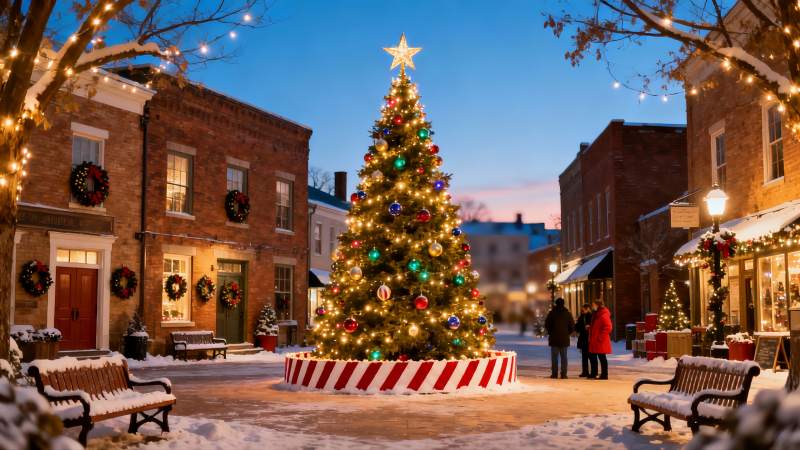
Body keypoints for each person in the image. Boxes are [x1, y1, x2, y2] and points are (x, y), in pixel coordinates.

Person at [545, 297, 574, 379]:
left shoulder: (552, 313)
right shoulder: (567, 314)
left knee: (554, 357)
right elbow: (572, 326)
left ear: (556, 303)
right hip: (564, 339)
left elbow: (547, 324)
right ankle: (564, 374)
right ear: (563, 304)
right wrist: (567, 333)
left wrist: (551, 332)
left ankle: (554, 374)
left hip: (554, 339)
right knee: (564, 357)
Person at [588, 298, 612, 380]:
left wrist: (600, 337)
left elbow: (608, 327)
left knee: (602, 357)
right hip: (595, 339)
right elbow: (597, 326)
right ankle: (594, 373)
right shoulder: (596, 314)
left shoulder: (603, 315)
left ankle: (604, 374)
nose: (592, 306)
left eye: (593, 305)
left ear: (598, 305)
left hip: (600, 341)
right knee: (593, 356)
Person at [575, 303, 592, 378]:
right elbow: (578, 327)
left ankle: (592, 371)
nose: (582, 310)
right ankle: (585, 371)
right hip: (583, 338)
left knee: (590, 356)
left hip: (588, 338)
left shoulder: (590, 316)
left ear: (588, 309)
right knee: (584, 356)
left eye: (584, 309)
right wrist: (577, 326)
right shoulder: (582, 316)